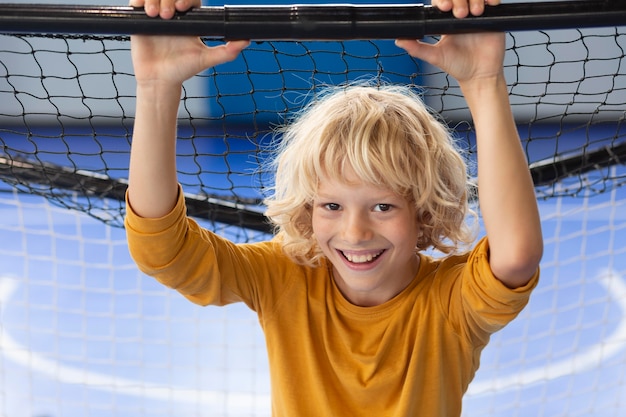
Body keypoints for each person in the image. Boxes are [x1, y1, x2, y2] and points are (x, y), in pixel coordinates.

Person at [125, 0, 543, 415]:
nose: (355, 232)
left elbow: (515, 255)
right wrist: (157, 88)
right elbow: (165, 253)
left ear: (425, 213)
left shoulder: (449, 304)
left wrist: (485, 82)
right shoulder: (284, 280)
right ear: (307, 211)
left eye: (383, 206)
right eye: (331, 205)